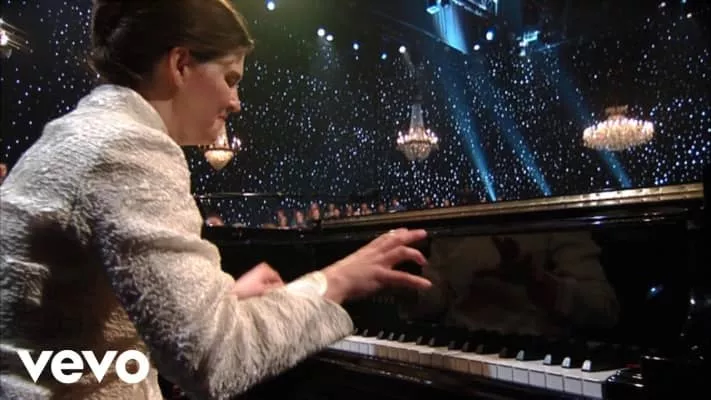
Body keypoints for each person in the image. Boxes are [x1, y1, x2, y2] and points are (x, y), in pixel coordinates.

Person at [0, 1, 431, 399]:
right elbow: (213, 361)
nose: (235, 102)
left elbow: (89, 336)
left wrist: (226, 305)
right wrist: (335, 280)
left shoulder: (77, 134)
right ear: (180, 64)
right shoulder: (128, 148)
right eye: (230, 78)